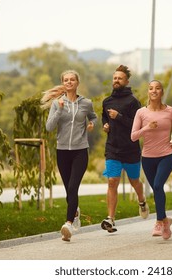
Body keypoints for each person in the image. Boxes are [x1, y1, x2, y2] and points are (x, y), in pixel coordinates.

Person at [43, 70, 97, 242]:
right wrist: (59, 109)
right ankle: (75, 212)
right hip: (62, 151)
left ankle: (68, 224)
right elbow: (49, 127)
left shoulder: (86, 103)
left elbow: (94, 117)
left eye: (72, 79)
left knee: (73, 187)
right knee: (69, 190)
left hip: (80, 150)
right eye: (66, 80)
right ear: (63, 83)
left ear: (77, 82)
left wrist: (91, 123)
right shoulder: (56, 103)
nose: (69, 82)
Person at [101, 65, 149, 233]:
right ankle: (111, 219)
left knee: (134, 181)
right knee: (112, 181)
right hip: (112, 148)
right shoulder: (106, 102)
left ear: (127, 81)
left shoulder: (133, 102)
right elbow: (104, 119)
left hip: (130, 149)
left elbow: (137, 126)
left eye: (120, 78)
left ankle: (142, 200)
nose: (116, 80)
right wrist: (106, 125)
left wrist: (118, 117)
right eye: (114, 78)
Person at [131, 80, 172, 240]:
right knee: (157, 190)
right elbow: (133, 136)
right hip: (148, 158)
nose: (154, 91)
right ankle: (166, 221)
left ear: (162, 92)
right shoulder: (141, 113)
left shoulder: (171, 111)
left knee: (158, 185)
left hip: (166, 155)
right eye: (151, 88)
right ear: (148, 92)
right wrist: (146, 128)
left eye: (157, 88)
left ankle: (159, 221)